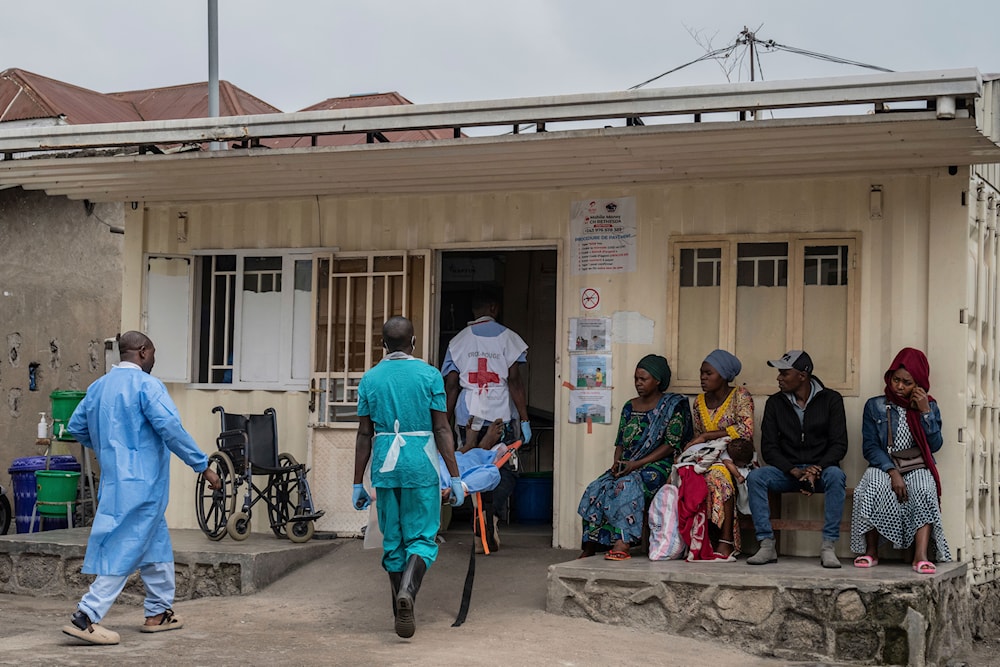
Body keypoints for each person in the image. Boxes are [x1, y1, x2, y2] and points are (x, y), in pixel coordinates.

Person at [61, 331, 222, 646]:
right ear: (144, 351)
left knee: (155, 544)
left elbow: (77, 426)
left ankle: (158, 612)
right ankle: (86, 615)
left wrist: (110, 447)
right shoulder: (148, 386)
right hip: (144, 484)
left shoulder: (98, 388)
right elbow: (171, 429)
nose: (154, 360)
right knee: (126, 546)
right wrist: (203, 466)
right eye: (154, 354)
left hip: (116, 482)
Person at [353, 316, 463, 639]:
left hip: (386, 467)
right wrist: (454, 477)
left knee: (393, 540)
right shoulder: (430, 376)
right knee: (422, 539)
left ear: (383, 345)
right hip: (420, 465)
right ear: (413, 343)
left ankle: (399, 608)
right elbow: (442, 428)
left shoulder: (370, 379)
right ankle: (409, 595)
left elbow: (363, 434)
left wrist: (357, 482)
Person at [577, 354, 693, 560]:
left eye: (643, 379)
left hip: (658, 466)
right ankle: (591, 544)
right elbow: (620, 442)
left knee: (627, 485)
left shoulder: (673, 406)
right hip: (628, 464)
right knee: (597, 486)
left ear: (657, 381)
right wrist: (616, 464)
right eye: (636, 379)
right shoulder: (629, 407)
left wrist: (635, 464)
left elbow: (670, 446)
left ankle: (623, 543)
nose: (638, 383)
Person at [442, 288, 531, 551]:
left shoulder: (457, 341)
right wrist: (524, 420)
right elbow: (514, 381)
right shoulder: (509, 338)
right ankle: (489, 518)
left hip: (466, 415)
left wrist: (443, 426)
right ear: (494, 308)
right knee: (505, 469)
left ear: (474, 310)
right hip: (500, 415)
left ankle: (479, 519)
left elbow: (451, 387)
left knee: (469, 466)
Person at [851, 348, 950, 573]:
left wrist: (925, 412)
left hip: (917, 465)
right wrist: (892, 472)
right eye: (896, 380)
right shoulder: (874, 405)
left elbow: (935, 446)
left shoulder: (930, 405)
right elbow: (870, 447)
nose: (900, 387)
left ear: (918, 383)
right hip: (884, 464)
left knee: (925, 488)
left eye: (907, 382)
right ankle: (871, 551)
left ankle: (921, 556)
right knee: (872, 486)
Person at [746, 350, 848, 568]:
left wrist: (816, 469)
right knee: (756, 477)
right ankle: (766, 544)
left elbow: (839, 444)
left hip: (820, 472)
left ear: (802, 375)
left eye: (784, 373)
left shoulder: (831, 400)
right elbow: (769, 448)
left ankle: (828, 547)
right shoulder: (775, 403)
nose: (778, 378)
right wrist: (793, 470)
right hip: (788, 472)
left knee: (837, 476)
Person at [684, 349, 754, 557]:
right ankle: (698, 539)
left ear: (723, 375)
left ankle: (726, 541)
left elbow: (746, 430)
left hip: (736, 458)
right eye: (701, 373)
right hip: (707, 456)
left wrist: (708, 437)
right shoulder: (699, 402)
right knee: (687, 474)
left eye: (708, 373)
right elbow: (697, 435)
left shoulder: (740, 395)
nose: (703, 378)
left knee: (718, 476)